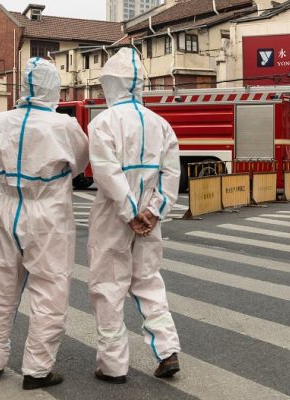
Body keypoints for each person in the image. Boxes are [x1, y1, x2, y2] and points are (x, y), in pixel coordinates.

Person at [0, 57, 89, 390]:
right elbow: (81, 162)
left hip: (7, 204)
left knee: (0, 285)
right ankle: (37, 370)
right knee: (49, 288)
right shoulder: (63, 125)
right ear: (53, 87)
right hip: (48, 208)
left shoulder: (2, 120)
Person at [87, 48, 181, 384]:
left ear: (110, 84)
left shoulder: (103, 123)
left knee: (109, 286)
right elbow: (172, 176)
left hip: (114, 214)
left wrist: (129, 213)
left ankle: (113, 365)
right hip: (148, 216)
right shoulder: (161, 125)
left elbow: (106, 172)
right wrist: (153, 213)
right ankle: (167, 351)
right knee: (149, 281)